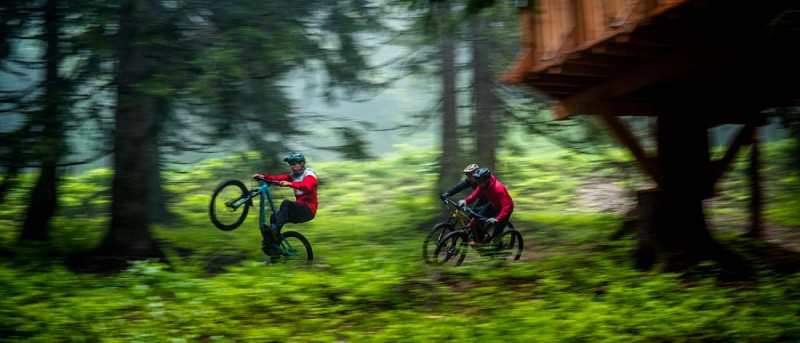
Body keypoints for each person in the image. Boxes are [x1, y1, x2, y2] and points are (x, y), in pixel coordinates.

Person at [252, 152, 318, 248]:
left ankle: (275, 231)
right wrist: (262, 176)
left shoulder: (309, 174)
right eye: (291, 165)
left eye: (294, 164)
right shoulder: (293, 176)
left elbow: (307, 187)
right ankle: (274, 246)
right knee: (274, 217)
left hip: (308, 210)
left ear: (302, 163)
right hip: (299, 210)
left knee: (286, 203)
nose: (292, 167)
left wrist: (290, 184)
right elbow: (277, 179)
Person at [458, 167, 514, 247]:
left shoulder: (498, 189)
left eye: (480, 182)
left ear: (487, 180)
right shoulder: (482, 185)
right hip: (494, 205)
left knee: (496, 236)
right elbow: (475, 195)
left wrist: (497, 219)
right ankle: (482, 244)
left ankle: (500, 251)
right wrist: (465, 201)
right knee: (478, 220)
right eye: (478, 182)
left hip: (506, 210)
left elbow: (506, 207)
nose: (479, 184)